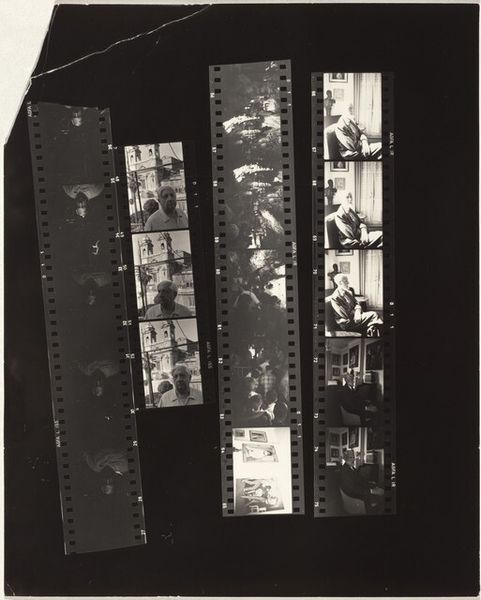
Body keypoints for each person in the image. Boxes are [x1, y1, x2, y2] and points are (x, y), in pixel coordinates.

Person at [339, 449, 384, 514]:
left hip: (361, 491)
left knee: (380, 489)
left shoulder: (352, 468)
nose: (353, 459)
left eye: (353, 457)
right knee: (380, 498)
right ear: (346, 459)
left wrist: (373, 486)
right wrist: (371, 491)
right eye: (351, 457)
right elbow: (352, 489)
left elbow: (361, 480)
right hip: (355, 497)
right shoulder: (344, 471)